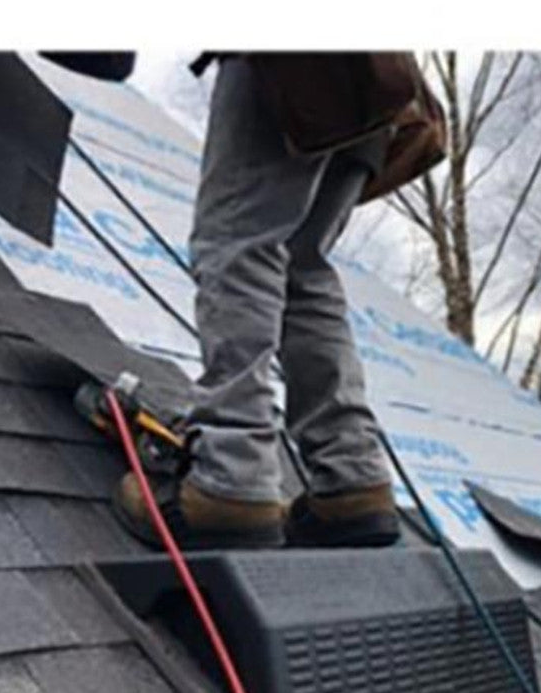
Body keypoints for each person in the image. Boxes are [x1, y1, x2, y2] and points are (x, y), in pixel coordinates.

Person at [113, 54, 428, 551]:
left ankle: (231, 476)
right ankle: (351, 479)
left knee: (238, 242)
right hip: (372, 79)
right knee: (303, 265)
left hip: (294, 64)